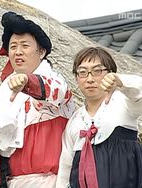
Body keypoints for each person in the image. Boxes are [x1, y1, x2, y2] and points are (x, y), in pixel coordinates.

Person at [0, 11, 76, 188]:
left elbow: (58, 92)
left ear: (42, 51)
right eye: (13, 47)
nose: (18, 52)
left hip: (51, 181)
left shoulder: (55, 80)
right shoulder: (6, 90)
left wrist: (27, 81)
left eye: (25, 45)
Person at [56, 47, 142, 188]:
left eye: (97, 71)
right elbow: (65, 168)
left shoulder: (125, 103)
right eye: (83, 73)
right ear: (76, 78)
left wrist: (121, 81)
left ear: (111, 73)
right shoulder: (74, 121)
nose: (90, 79)